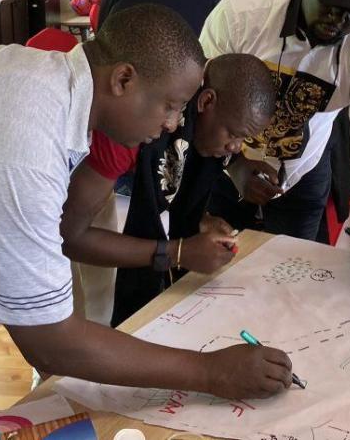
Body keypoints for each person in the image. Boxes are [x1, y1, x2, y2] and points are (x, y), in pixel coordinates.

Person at [0, 4, 292, 438]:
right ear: (123, 80)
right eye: (172, 107)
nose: (174, 123)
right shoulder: (20, 147)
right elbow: (50, 344)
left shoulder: (52, 87)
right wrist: (212, 372)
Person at [60, 53, 276, 326]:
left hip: (96, 184)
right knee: (80, 310)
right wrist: (178, 252)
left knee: (103, 301)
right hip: (60, 195)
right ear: (205, 101)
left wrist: (201, 219)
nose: (236, 146)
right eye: (234, 135)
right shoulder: (132, 130)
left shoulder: (203, 117)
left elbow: (179, 174)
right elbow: (69, 237)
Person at [201, 0, 350, 241]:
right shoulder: (241, 15)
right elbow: (202, 98)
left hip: (303, 171)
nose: (337, 20)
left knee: (293, 269)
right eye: (330, 4)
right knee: (216, 268)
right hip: (224, 162)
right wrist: (236, 164)